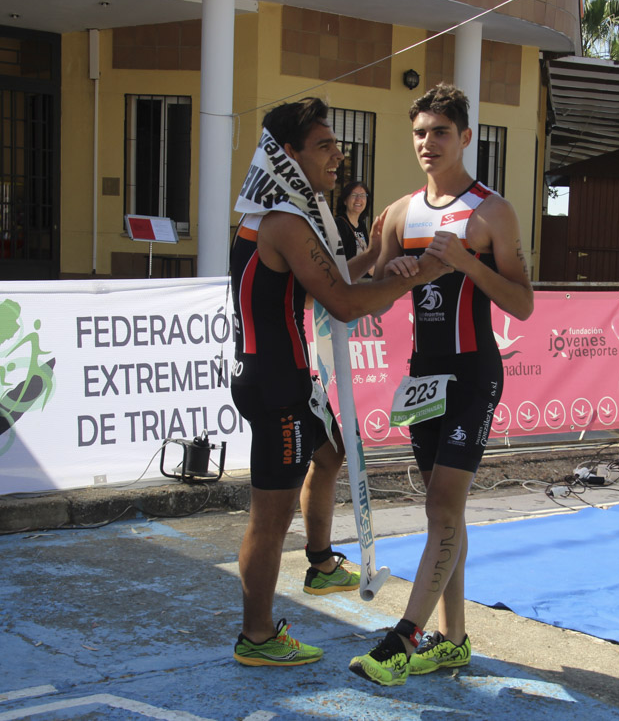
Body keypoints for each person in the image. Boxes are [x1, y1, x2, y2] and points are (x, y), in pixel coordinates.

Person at [228, 97, 450, 667]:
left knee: (328, 457)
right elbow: (345, 303)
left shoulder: (270, 212)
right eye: (324, 146)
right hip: (278, 386)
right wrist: (424, 272)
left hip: (284, 378)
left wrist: (377, 254)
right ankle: (256, 637)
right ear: (290, 155)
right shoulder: (284, 220)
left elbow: (319, 282)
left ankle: (323, 561)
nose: (338, 155)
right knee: (270, 519)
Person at [348, 84, 534, 686]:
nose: (428, 144)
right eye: (420, 133)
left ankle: (404, 638)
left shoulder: (491, 211)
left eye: (440, 133)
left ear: (465, 138)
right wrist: (394, 271)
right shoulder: (400, 213)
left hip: (474, 373)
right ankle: (453, 640)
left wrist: (469, 264)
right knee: (443, 516)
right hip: (423, 377)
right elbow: (369, 283)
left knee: (442, 507)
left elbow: (524, 304)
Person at [335, 180, 380, 278]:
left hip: (362, 281)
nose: (359, 199)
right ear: (345, 200)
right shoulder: (339, 224)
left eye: (363, 195)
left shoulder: (361, 225)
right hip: (348, 282)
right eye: (354, 195)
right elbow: (338, 259)